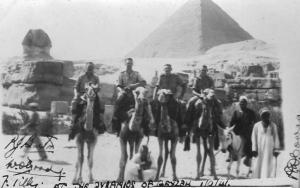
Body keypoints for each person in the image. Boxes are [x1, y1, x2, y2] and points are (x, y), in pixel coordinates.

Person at [69, 62, 104, 140]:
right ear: (86, 69)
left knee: (101, 101)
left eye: (91, 69)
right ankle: (72, 121)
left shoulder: (96, 77)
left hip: (92, 95)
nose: (90, 70)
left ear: (93, 69)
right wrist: (76, 95)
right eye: (88, 69)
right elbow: (76, 87)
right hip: (82, 95)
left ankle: (101, 122)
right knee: (74, 102)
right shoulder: (81, 77)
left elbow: (98, 87)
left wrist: (95, 89)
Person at [112, 58, 146, 134]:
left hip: (134, 92)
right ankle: (115, 124)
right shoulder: (121, 74)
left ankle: (146, 126)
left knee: (144, 103)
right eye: (127, 64)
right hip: (124, 92)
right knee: (118, 101)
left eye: (130, 64)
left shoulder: (136, 74)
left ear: (132, 64)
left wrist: (133, 85)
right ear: (125, 64)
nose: (129, 65)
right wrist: (122, 91)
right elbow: (118, 85)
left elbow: (143, 82)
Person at [252, 108, 280, 178]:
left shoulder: (273, 125)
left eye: (267, 115)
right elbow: (253, 137)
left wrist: (276, 149)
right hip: (259, 149)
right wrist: (254, 149)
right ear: (261, 116)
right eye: (263, 115)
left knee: (268, 165)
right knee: (257, 165)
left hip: (269, 149)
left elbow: (276, 137)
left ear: (269, 116)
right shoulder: (256, 125)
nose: (265, 117)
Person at [229, 96, 258, 166]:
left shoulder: (251, 112)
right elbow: (232, 123)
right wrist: (230, 130)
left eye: (244, 103)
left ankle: (248, 158)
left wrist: (253, 128)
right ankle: (230, 155)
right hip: (237, 132)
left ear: (246, 103)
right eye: (241, 102)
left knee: (250, 142)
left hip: (247, 132)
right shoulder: (236, 112)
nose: (242, 104)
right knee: (228, 140)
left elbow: (255, 122)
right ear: (239, 103)